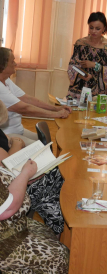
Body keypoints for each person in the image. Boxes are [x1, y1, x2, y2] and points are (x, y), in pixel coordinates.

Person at [0, 100, 65, 235]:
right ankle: (58, 223)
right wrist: (16, 145)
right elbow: (6, 166)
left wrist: (12, 143)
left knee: (54, 175)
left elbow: (7, 140)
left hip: (14, 181)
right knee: (52, 176)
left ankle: (58, 219)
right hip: (12, 188)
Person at [0, 160, 69, 273]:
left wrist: (21, 178)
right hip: (5, 239)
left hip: (14, 226)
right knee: (60, 255)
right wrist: (25, 174)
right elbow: (7, 208)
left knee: (49, 231)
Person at [0, 47, 72, 145]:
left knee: (46, 142)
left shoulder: (6, 80)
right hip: (6, 135)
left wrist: (56, 109)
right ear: (2, 66)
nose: (15, 64)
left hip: (18, 130)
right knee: (41, 149)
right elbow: (24, 108)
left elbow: (27, 99)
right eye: (12, 61)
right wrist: (55, 114)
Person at [67, 11, 107, 99]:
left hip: (99, 94)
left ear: (104, 28)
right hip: (78, 91)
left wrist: (94, 65)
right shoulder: (80, 43)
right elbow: (72, 66)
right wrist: (82, 75)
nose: (93, 31)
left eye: (97, 28)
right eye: (91, 27)